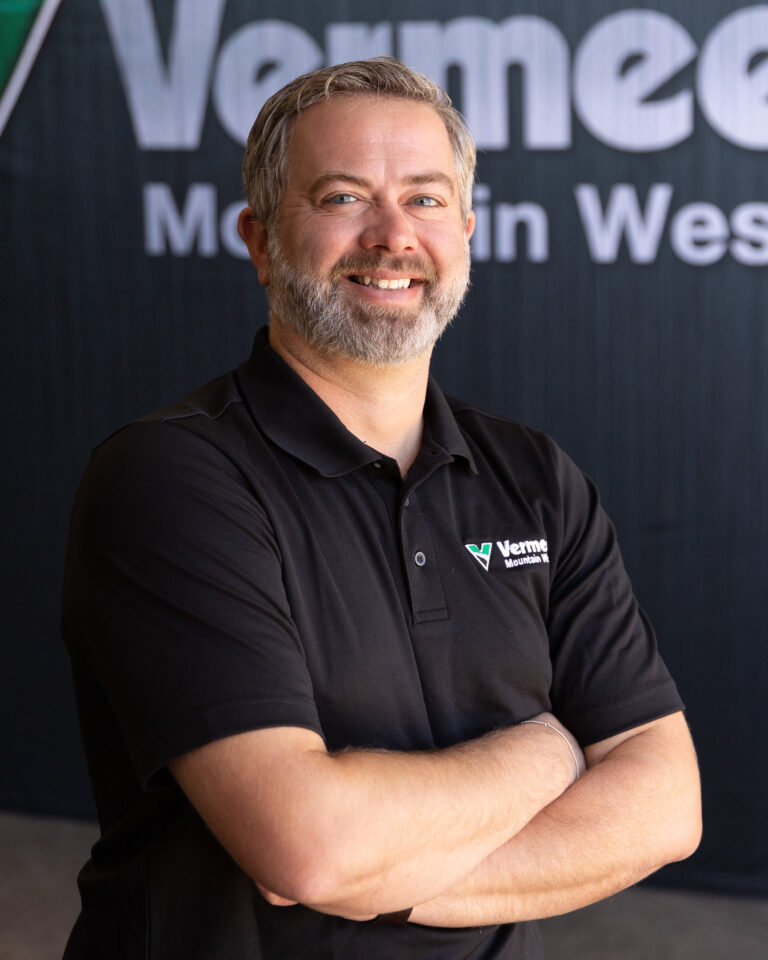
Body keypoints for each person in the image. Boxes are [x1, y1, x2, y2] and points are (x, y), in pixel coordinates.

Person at [62, 57, 701, 960]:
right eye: (342, 197)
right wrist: (549, 753)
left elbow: (666, 807)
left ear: (468, 233)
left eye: (427, 200)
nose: (392, 236)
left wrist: (380, 877)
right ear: (259, 241)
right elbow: (309, 848)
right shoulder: (171, 479)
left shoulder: (534, 477)